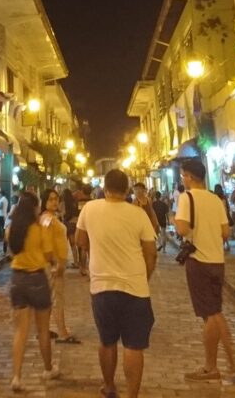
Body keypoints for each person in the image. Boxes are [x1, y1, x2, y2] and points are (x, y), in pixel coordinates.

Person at [76, 169, 157, 398]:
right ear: (127, 189)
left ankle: (109, 385)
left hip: (102, 286)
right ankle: (132, 394)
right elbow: (151, 253)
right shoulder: (138, 214)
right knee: (134, 346)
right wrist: (145, 276)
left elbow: (80, 240)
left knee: (107, 340)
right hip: (135, 287)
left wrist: (97, 252)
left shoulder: (90, 209)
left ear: (105, 186)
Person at [176, 160, 235, 381]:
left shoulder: (187, 197)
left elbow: (183, 228)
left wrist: (179, 223)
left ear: (190, 177)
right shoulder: (215, 199)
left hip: (199, 261)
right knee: (213, 312)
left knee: (212, 314)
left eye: (183, 175)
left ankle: (229, 364)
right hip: (217, 261)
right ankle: (214, 365)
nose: (182, 179)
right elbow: (225, 233)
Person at [8, 191, 60, 392]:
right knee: (42, 329)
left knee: (20, 331)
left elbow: (12, 251)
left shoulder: (14, 229)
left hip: (17, 278)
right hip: (36, 278)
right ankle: (48, 368)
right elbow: (48, 254)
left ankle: (16, 377)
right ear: (33, 208)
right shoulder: (39, 228)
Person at [41, 189, 80, 345]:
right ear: (44, 201)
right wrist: (55, 263)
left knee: (53, 299)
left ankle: (45, 329)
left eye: (56, 199)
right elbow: (46, 242)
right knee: (57, 299)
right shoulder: (46, 219)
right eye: (50, 199)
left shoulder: (52, 217)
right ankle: (62, 332)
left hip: (57, 263)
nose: (54, 202)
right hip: (53, 264)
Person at [73, 183, 93, 275]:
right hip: (91, 225)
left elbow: (79, 213)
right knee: (90, 248)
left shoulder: (80, 202)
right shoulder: (93, 202)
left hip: (82, 225)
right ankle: (91, 268)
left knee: (82, 248)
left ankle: (83, 268)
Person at [62, 186, 80, 269]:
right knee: (73, 245)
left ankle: (63, 262)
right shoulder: (74, 203)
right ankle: (76, 262)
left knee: (64, 244)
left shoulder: (63, 203)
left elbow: (63, 213)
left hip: (66, 224)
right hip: (74, 224)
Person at [213, 184, 234, 251]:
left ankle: (222, 245)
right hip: (224, 215)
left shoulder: (214, 197)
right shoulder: (224, 197)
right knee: (225, 230)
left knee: (219, 231)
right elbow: (227, 207)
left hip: (217, 216)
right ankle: (226, 244)